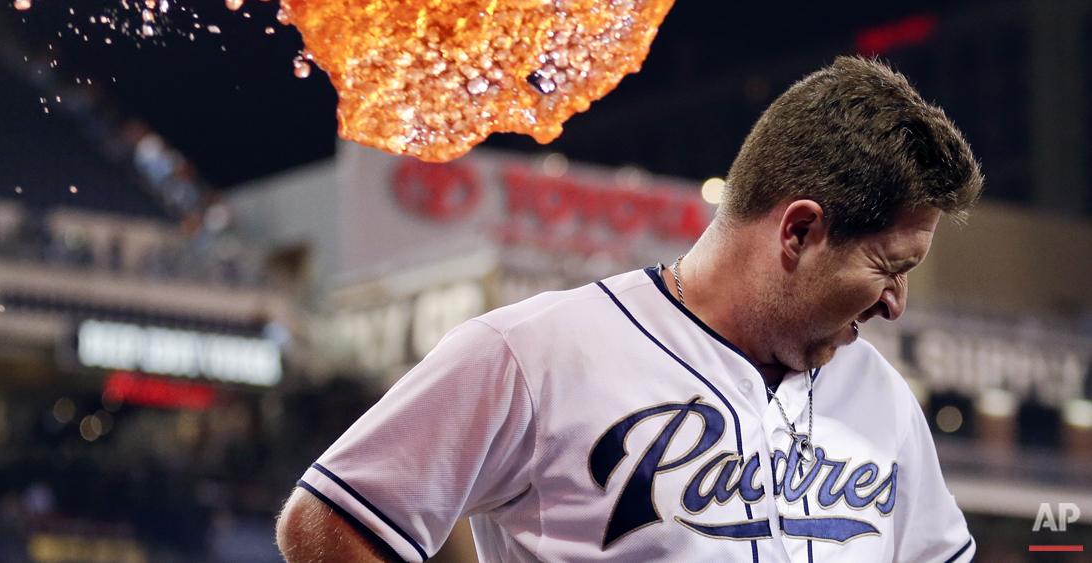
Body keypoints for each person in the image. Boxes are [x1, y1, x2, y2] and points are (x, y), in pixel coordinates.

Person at [277, 56, 983, 563]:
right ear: (798, 231)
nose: (896, 303)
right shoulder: (535, 352)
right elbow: (330, 521)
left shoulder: (881, 396)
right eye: (889, 267)